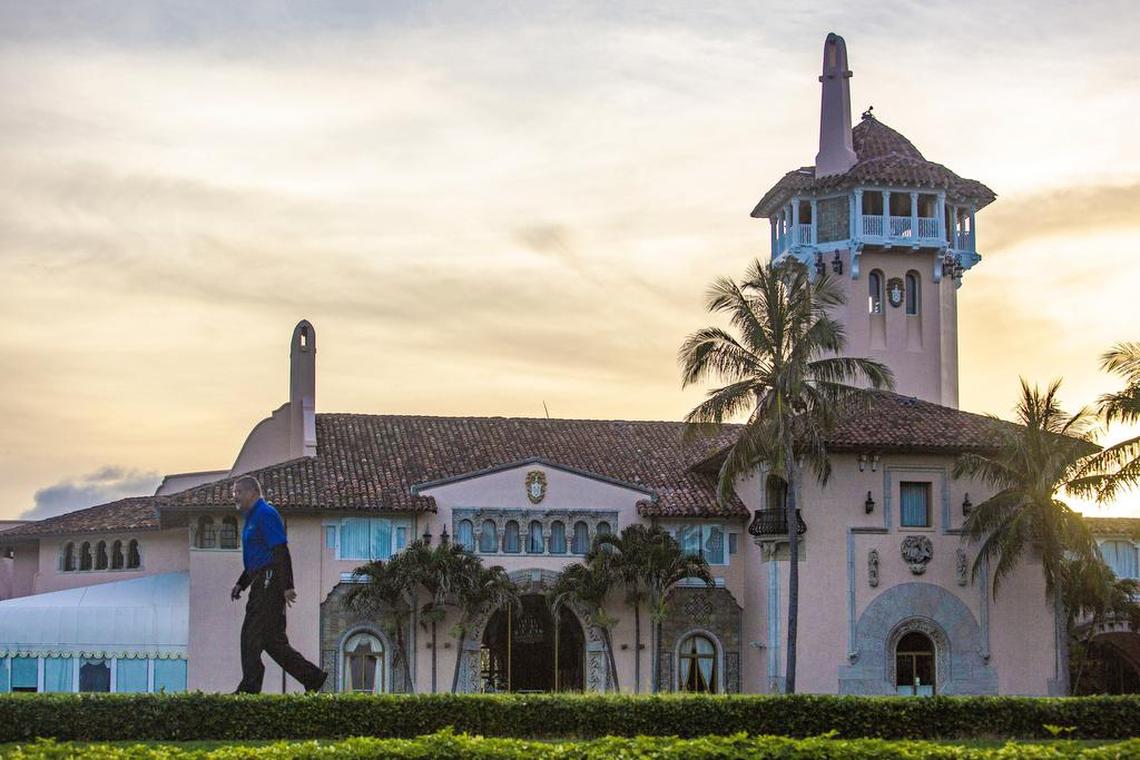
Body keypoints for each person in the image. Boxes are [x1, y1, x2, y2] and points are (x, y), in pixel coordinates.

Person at [230, 475, 327, 693]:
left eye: (238, 492)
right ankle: (313, 677)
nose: (234, 496)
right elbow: (257, 556)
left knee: (250, 634)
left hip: (270, 579)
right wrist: (241, 584)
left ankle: (250, 687)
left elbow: (280, 550)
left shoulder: (265, 514)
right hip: (260, 578)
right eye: (233, 492)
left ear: (253, 492)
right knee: (273, 642)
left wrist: (287, 586)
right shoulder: (252, 518)